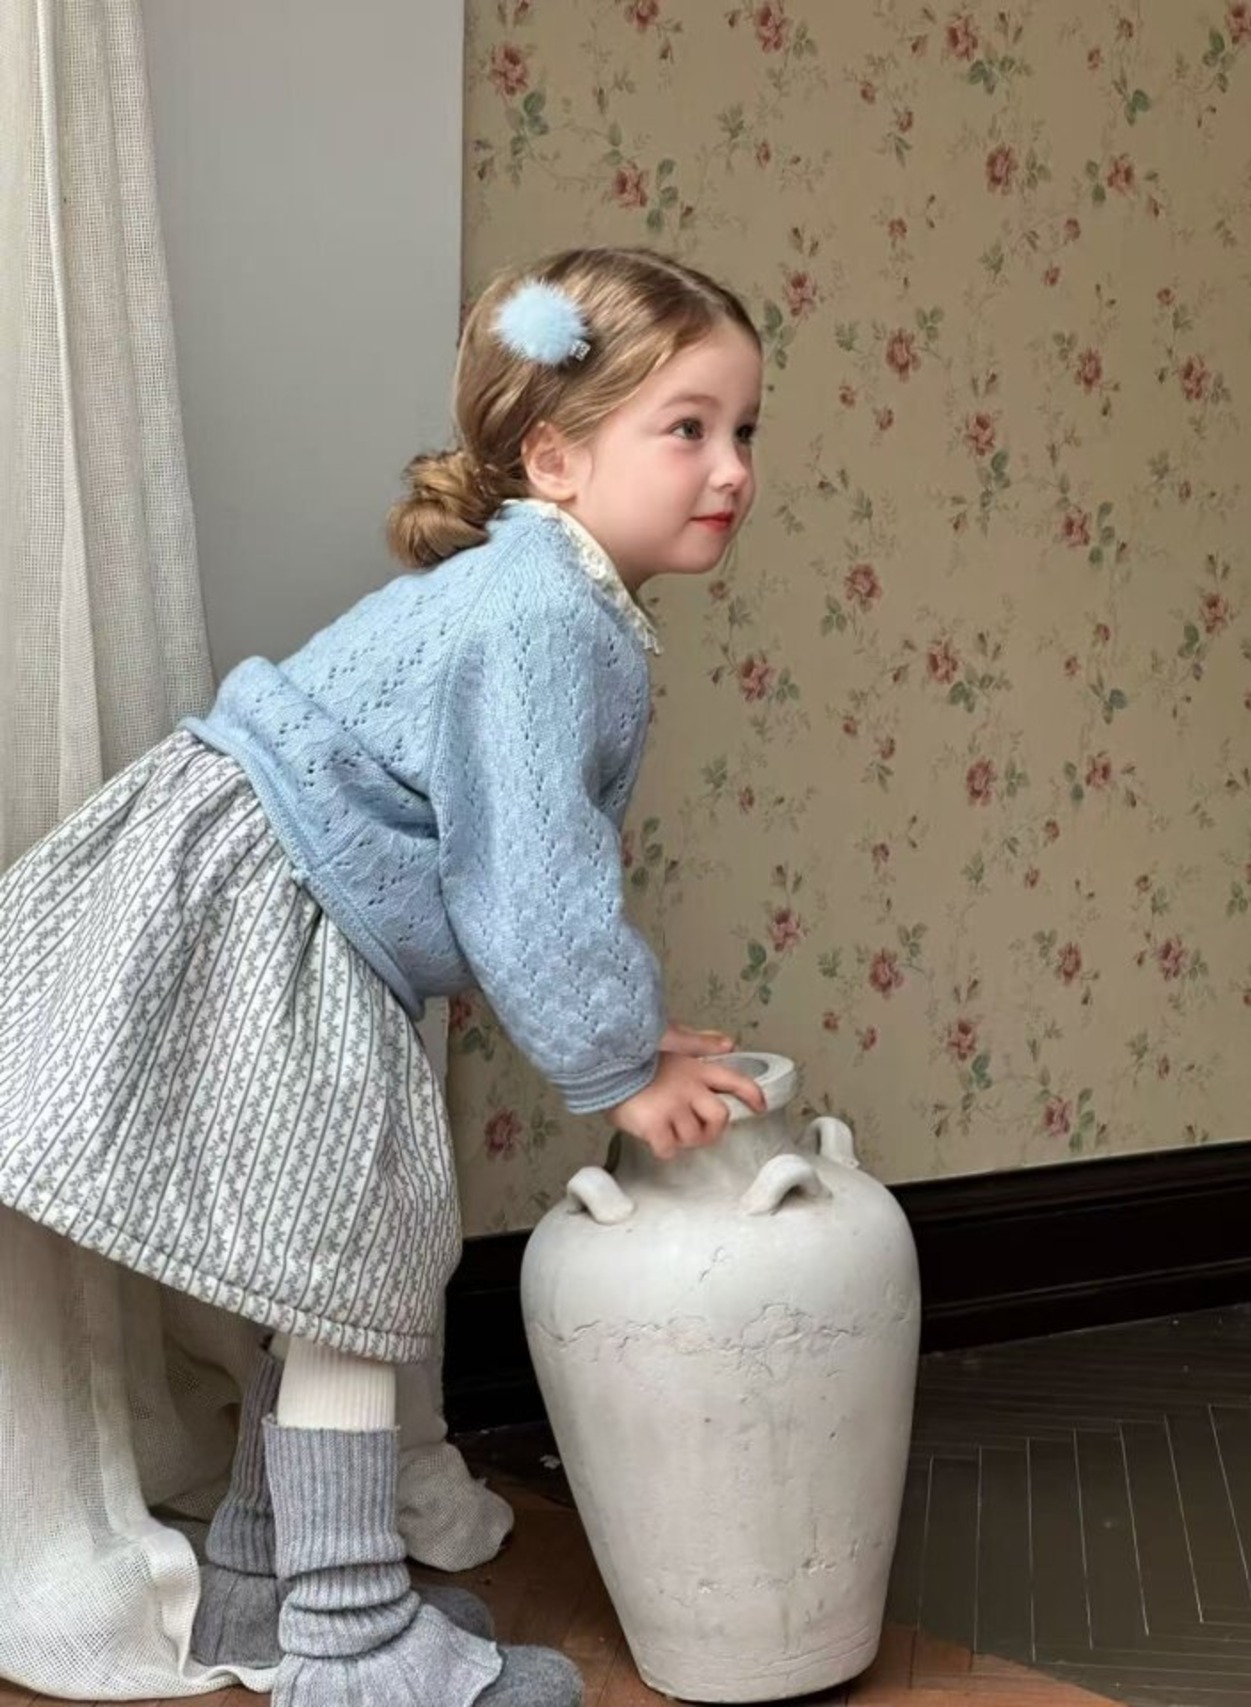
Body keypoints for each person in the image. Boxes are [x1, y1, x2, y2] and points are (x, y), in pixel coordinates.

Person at [0, 245, 767, 1707]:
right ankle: (349, 1642)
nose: (731, 467)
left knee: (321, 1260)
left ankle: (256, 1586)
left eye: (743, 429)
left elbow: (507, 873)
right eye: (687, 427)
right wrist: (620, 1063)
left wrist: (631, 1035)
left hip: (263, 887)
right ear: (554, 455)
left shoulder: (545, 595)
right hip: (271, 907)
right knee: (353, 1265)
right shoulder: (543, 616)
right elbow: (530, 877)